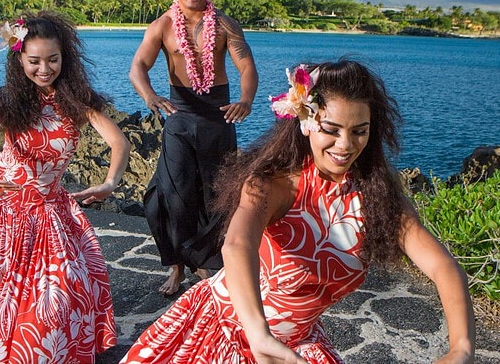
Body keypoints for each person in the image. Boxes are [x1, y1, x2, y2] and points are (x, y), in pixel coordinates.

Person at [120, 58, 475, 363]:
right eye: (331, 130)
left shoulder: (378, 199)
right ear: (306, 123)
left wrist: (461, 347)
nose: (345, 145)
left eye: (359, 131)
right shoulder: (272, 185)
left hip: (295, 345)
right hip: (223, 330)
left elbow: (442, 266)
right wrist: (259, 334)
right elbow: (237, 245)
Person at [0, 11, 130, 363]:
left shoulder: (78, 101)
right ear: (19, 59)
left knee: (61, 302)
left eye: (53, 59)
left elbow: (119, 143)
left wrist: (110, 182)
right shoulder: (5, 99)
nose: (44, 69)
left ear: (65, 56)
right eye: (34, 61)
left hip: (49, 210)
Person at [130, 0, 258, 295]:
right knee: (171, 195)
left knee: (218, 194)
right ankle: (176, 266)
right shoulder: (162, 26)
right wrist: (150, 96)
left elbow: (246, 67)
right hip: (180, 116)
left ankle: (208, 264)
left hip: (219, 116)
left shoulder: (227, 25)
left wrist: (245, 100)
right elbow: (138, 67)